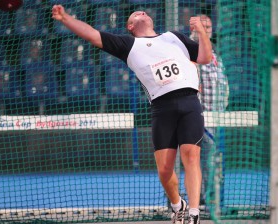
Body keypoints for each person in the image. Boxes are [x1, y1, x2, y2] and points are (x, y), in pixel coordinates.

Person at [52, 5, 212, 224]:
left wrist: (202, 32)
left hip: (189, 102)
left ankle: (194, 213)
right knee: (165, 170)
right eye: (136, 14)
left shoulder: (173, 37)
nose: (142, 13)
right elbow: (91, 34)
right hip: (162, 108)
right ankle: (178, 205)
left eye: (144, 12)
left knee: (191, 156)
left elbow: (204, 57)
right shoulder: (128, 45)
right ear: (130, 26)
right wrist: (65, 18)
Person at [190, 14, 229, 206]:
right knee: (203, 161)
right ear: (194, 30)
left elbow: (223, 83)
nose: (207, 29)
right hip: (200, 118)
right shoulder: (191, 51)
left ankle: (210, 198)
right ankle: (204, 199)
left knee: (213, 160)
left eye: (209, 26)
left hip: (216, 118)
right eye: (202, 26)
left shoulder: (215, 54)